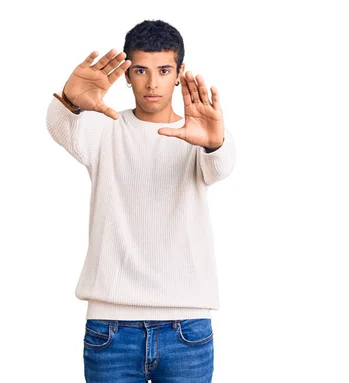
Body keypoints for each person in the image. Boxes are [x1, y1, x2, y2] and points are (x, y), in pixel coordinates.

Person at [46, 19, 235, 383]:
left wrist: (215, 142)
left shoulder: (197, 133)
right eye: (141, 70)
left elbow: (221, 166)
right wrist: (70, 101)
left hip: (187, 327)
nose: (152, 83)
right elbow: (60, 128)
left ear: (179, 73)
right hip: (111, 330)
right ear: (128, 75)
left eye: (164, 70)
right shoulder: (105, 128)